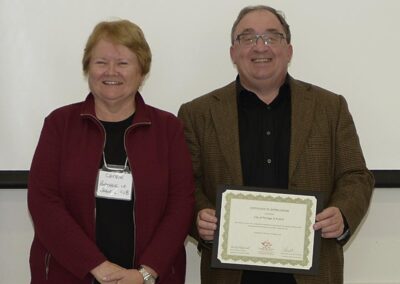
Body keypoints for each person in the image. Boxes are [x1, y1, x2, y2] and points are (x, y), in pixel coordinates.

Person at [178, 5, 374, 284]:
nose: (260, 47)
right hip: (230, 274)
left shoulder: (331, 107)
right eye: (248, 38)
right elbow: (185, 185)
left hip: (313, 272)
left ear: (289, 50)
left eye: (272, 37)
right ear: (233, 52)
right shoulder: (197, 113)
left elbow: (356, 175)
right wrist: (199, 216)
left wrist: (342, 212)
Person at [28, 19, 195, 284]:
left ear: (142, 71)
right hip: (70, 275)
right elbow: (43, 202)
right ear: (88, 68)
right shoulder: (59, 124)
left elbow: (181, 204)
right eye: (101, 62)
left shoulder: (168, 128)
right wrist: (96, 265)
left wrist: (145, 273)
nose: (111, 72)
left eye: (123, 63)